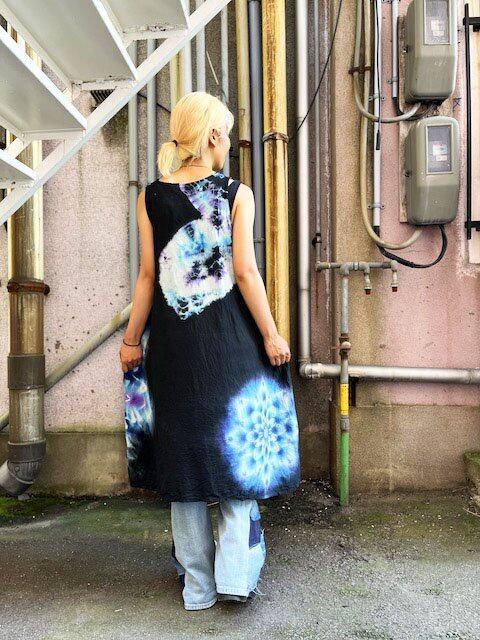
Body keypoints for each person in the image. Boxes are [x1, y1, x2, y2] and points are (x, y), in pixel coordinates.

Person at [120, 91, 301, 611]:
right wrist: (271, 334)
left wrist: (131, 341)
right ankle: (235, 580)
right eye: (227, 135)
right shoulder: (236, 194)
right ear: (215, 136)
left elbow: (148, 277)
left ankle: (196, 588)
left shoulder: (151, 197)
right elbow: (245, 272)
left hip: (173, 353)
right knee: (234, 461)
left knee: (184, 469)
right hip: (229, 348)